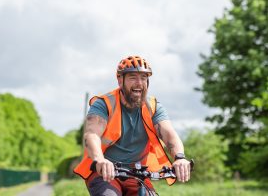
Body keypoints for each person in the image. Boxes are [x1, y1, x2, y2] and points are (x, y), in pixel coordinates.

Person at [74, 55, 191, 195]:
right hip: (104, 172)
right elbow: (91, 135)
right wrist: (100, 160)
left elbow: (169, 134)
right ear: (120, 80)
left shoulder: (153, 107)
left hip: (137, 174)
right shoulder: (104, 104)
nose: (139, 83)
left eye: (143, 78)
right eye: (132, 77)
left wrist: (179, 157)